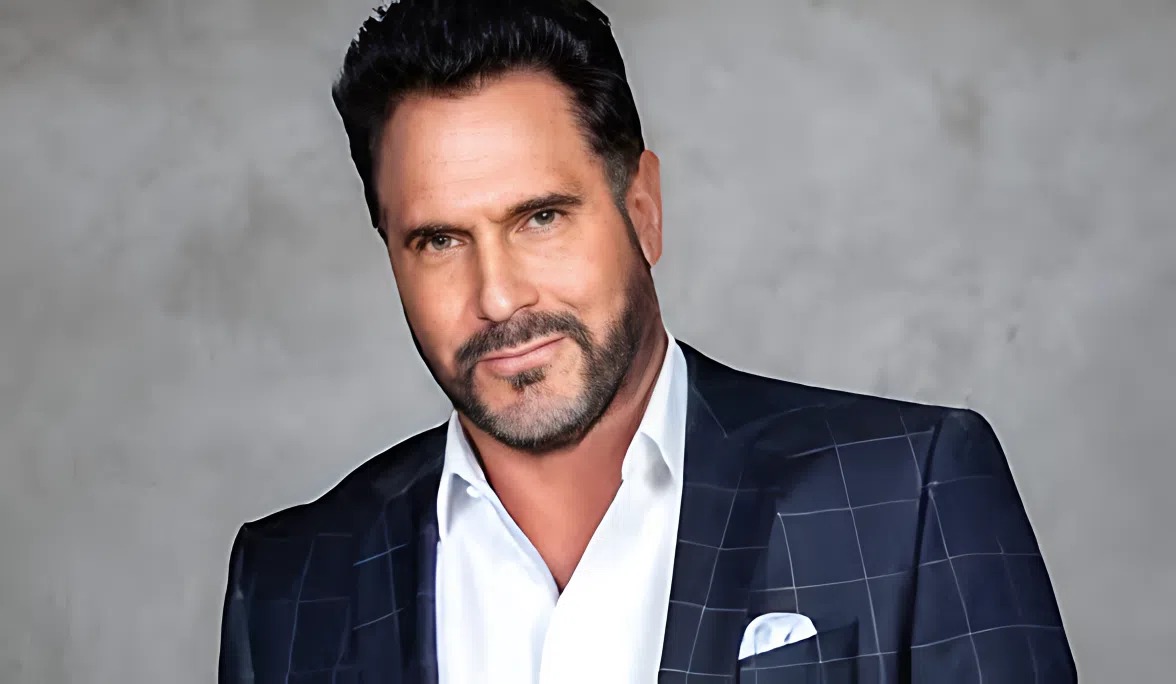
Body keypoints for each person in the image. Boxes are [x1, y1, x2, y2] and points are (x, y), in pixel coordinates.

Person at [217, 1, 1076, 682]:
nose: (498, 296)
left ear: (643, 209)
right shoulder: (290, 585)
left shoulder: (907, 495)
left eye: (541, 218)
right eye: (439, 240)